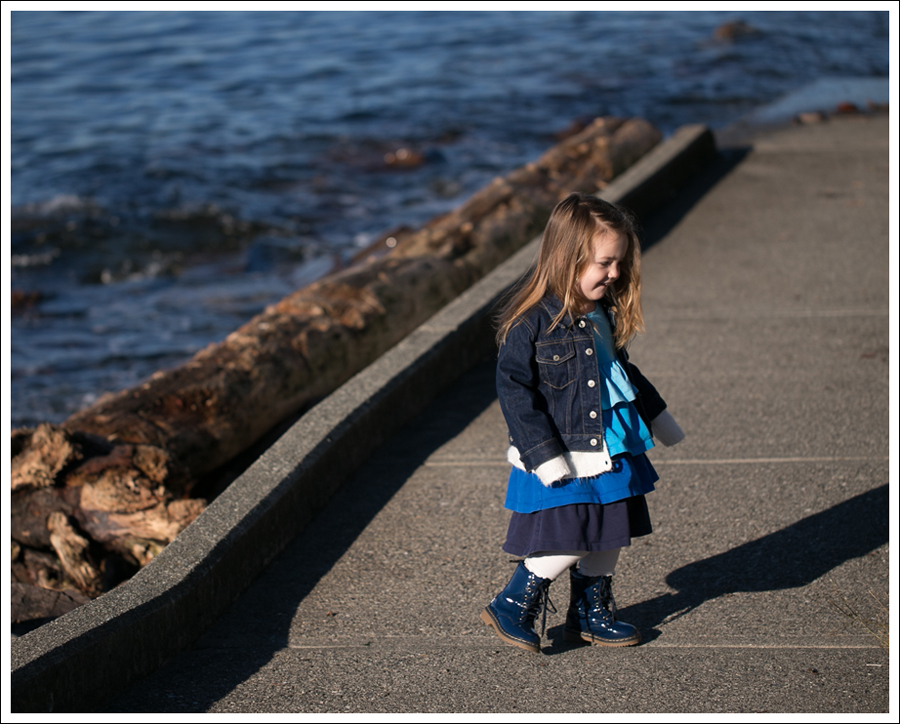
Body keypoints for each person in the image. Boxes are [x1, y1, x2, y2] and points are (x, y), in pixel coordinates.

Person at [480, 192, 685, 653]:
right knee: (572, 534)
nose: (614, 273)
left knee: (612, 528)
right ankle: (512, 602)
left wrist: (658, 416)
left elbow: (623, 373)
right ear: (566, 259)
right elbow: (514, 391)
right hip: (564, 451)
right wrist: (542, 454)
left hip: (613, 444)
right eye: (604, 263)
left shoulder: (600, 314)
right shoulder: (532, 323)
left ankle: (590, 611)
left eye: (619, 263)